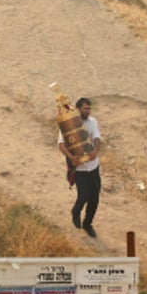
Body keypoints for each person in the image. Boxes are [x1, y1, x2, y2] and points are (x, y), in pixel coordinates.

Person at [57, 97, 101, 238]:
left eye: (89, 109)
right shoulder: (68, 124)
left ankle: (88, 224)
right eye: (85, 109)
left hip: (93, 167)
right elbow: (61, 144)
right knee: (84, 196)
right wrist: (71, 157)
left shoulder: (92, 122)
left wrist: (95, 151)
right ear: (78, 109)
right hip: (80, 169)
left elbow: (97, 138)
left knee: (94, 198)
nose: (88, 111)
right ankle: (75, 212)